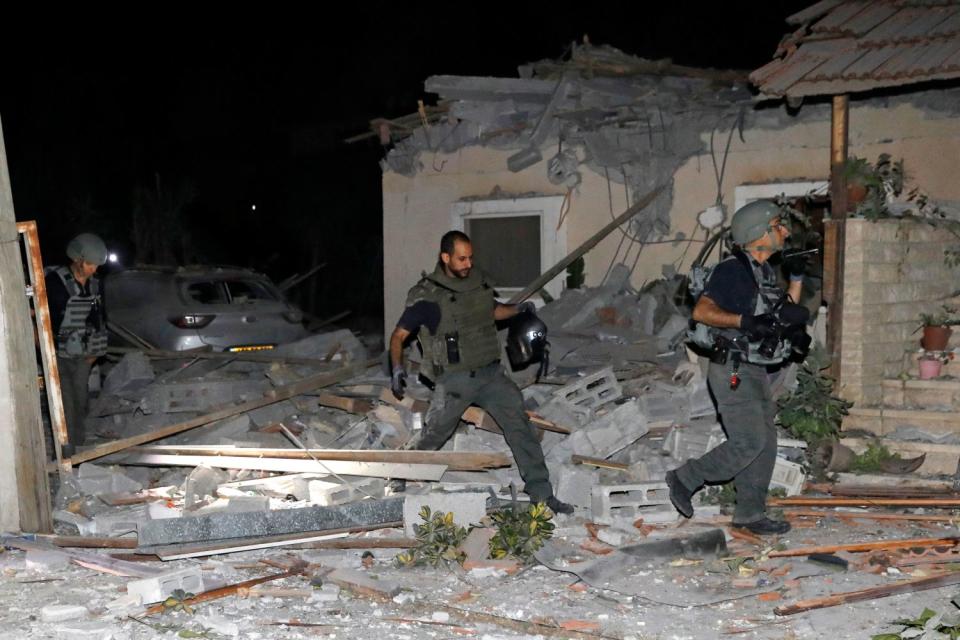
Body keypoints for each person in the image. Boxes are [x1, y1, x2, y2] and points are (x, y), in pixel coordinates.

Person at [388, 230, 573, 515]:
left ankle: (541, 494)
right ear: (445, 257)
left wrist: (518, 309)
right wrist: (398, 367)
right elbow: (399, 336)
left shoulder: (476, 283)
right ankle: (398, 471)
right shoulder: (428, 297)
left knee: (520, 427)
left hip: (490, 374)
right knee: (434, 435)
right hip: (455, 380)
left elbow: (491, 311)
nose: (468, 264)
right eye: (461, 259)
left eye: (471, 257)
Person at [666, 200, 806, 535]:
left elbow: (782, 312)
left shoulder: (763, 272)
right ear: (759, 233)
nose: (784, 231)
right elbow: (701, 311)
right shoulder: (733, 270)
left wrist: (797, 276)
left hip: (754, 369)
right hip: (732, 370)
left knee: (765, 442)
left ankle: (749, 513)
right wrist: (744, 322)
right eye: (778, 225)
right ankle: (686, 477)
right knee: (748, 441)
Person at [45, 232, 109, 449]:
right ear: (77, 259)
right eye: (90, 264)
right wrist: (44, 348)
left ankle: (79, 447)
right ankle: (64, 450)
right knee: (65, 403)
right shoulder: (54, 282)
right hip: (58, 353)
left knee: (80, 400)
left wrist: (96, 351)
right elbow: (42, 316)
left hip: (84, 353)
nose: (94, 269)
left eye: (96, 265)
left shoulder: (95, 285)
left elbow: (100, 319)